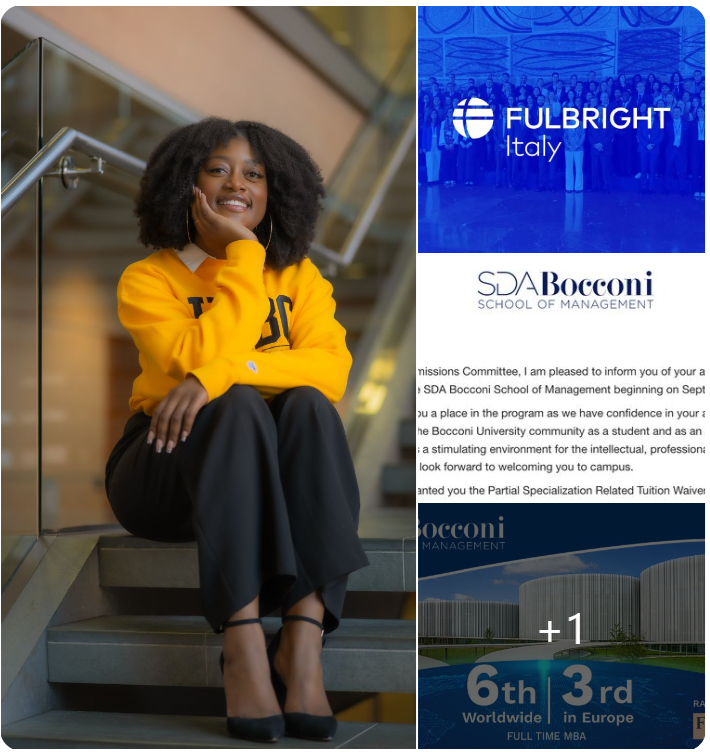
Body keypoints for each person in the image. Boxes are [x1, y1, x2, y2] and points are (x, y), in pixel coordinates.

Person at [105, 117, 370, 743]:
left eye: (254, 174)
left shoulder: (299, 277)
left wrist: (223, 371)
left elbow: (330, 370)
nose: (237, 184)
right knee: (234, 407)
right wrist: (243, 256)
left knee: (307, 404)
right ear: (186, 183)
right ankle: (244, 642)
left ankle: (302, 643)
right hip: (166, 466)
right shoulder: (150, 278)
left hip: (268, 483)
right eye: (218, 169)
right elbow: (179, 368)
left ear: (275, 192)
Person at [636, 102, 663, 194]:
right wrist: (646, 144)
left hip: (654, 149)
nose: (650, 111)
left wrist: (653, 145)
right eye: (649, 110)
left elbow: (661, 136)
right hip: (643, 148)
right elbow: (639, 135)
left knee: (652, 168)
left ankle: (651, 187)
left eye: (652, 110)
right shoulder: (641, 121)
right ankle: (643, 188)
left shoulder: (659, 122)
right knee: (643, 168)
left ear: (655, 112)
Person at [664, 105, 689, 194]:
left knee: (682, 170)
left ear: (681, 113)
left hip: (682, 149)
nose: (676, 113)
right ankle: (667, 189)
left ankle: (682, 189)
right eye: (674, 112)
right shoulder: (667, 124)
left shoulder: (686, 124)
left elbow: (689, 138)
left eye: (678, 112)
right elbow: (665, 138)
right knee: (668, 169)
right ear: (672, 113)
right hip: (671, 149)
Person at [563, 117, 585, 192]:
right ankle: (569, 187)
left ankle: (578, 187)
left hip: (579, 149)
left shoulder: (581, 123)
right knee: (569, 168)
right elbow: (564, 136)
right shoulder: (567, 124)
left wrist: (577, 146)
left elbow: (583, 135)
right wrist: (568, 146)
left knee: (579, 168)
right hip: (568, 149)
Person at [439, 107, 459, 185]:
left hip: (453, 145)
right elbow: (441, 134)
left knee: (453, 162)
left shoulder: (457, 122)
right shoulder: (443, 123)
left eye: (452, 112)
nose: (450, 113)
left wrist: (453, 143)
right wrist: (445, 144)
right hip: (445, 145)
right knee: (446, 162)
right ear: (447, 113)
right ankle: (446, 179)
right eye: (449, 112)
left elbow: (457, 134)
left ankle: (453, 178)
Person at [689, 106, 705, 197]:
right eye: (698, 111)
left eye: (702, 111)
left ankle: (704, 189)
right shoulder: (692, 123)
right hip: (695, 147)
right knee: (695, 169)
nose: (700, 112)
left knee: (705, 168)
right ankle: (695, 189)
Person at [422, 109, 442, 184]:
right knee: (429, 162)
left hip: (438, 144)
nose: (434, 114)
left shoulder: (439, 123)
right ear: (430, 115)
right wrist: (423, 147)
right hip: (429, 144)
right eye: (432, 113)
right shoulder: (426, 124)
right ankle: (430, 179)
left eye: (435, 113)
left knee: (437, 161)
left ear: (437, 114)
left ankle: (436, 179)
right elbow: (423, 136)